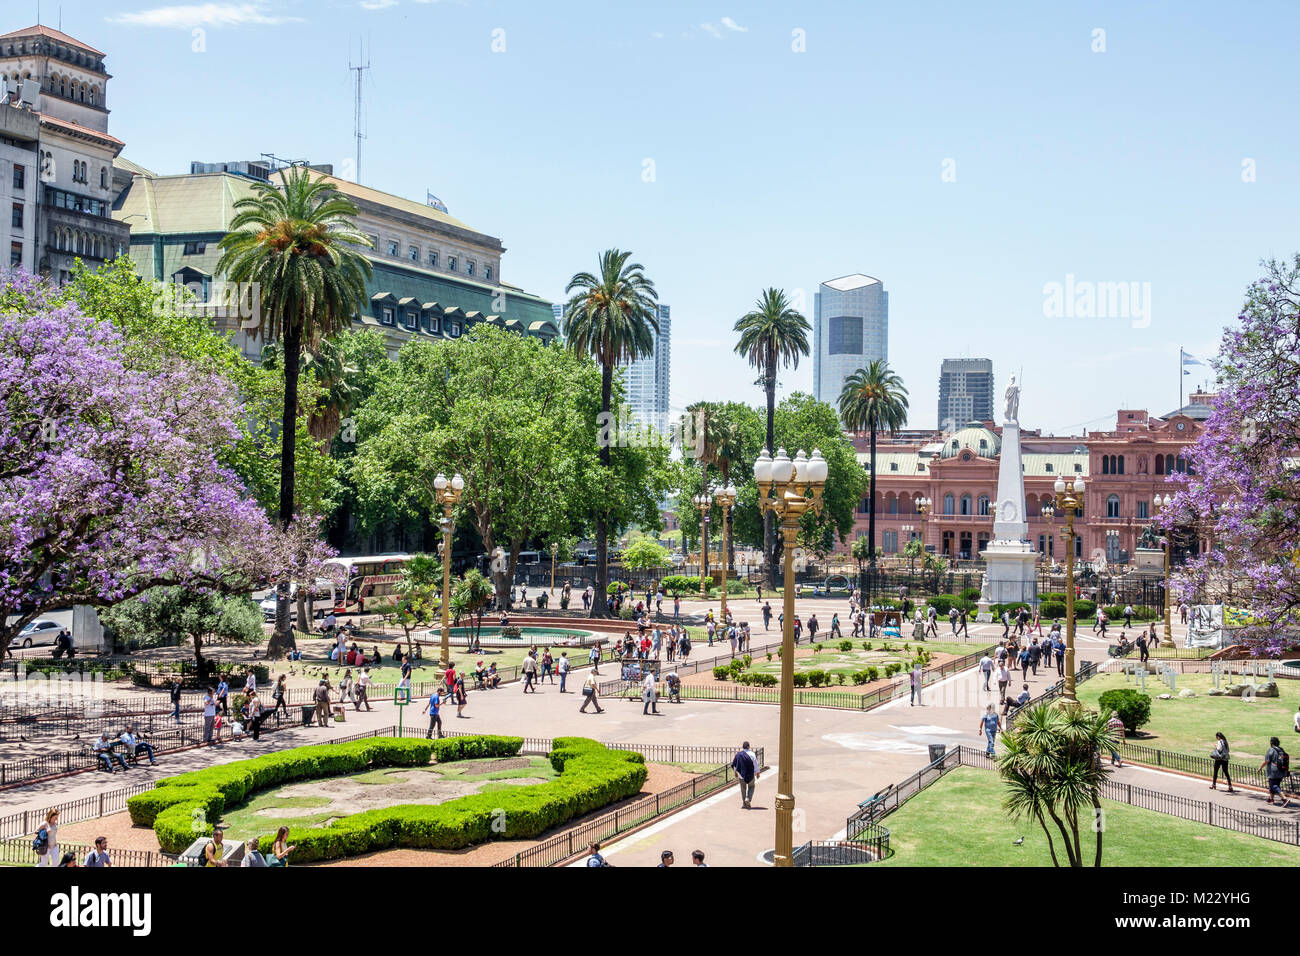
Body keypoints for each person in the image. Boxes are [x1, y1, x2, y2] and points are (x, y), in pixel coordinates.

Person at [1260, 737, 1291, 807]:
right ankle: (1271, 799)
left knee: (1274, 786)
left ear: (1271, 743)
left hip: (1273, 772)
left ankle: (1284, 799)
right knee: (1274, 785)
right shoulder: (1281, 749)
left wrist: (1260, 767)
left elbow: (1267, 761)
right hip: (1281, 771)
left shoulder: (1270, 750)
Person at [732, 741, 759, 809]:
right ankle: (748, 799)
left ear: (742, 747)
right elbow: (755, 764)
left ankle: (744, 803)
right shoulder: (752, 754)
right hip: (751, 775)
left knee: (743, 789)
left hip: (742, 775)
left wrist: (735, 773)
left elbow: (734, 764)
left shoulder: (738, 755)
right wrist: (757, 773)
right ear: (748, 746)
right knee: (751, 787)